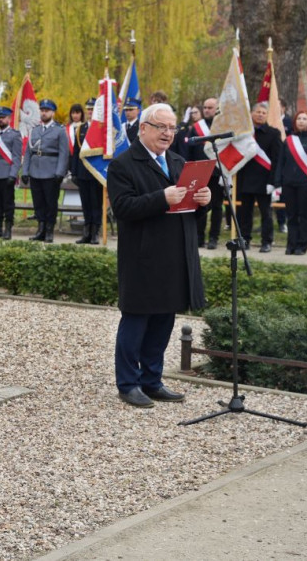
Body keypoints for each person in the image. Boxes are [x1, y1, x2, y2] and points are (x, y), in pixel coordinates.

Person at [108, 103, 209, 408]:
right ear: (143, 129)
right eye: (161, 127)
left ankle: (152, 380)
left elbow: (190, 213)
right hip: (142, 257)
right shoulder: (124, 164)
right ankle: (128, 384)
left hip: (175, 256)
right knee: (136, 321)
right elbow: (123, 208)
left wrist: (205, 201)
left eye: (172, 127)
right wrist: (160, 198)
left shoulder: (179, 162)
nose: (168, 133)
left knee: (163, 322)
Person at [274, 111, 307, 255]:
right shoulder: (289, 140)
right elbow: (280, 163)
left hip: (306, 185)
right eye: (299, 119)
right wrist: (278, 182)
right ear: (295, 122)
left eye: (304, 119)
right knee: (291, 216)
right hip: (289, 183)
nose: (301, 121)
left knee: (304, 216)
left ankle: (302, 245)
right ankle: (291, 245)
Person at [236, 103, 282, 253]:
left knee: (266, 214)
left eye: (263, 112)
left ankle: (266, 242)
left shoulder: (273, 133)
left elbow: (277, 159)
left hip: (265, 180)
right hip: (245, 179)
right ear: (251, 113)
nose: (260, 114)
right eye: (258, 112)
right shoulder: (244, 133)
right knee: (244, 213)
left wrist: (273, 182)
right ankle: (244, 240)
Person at [21, 99, 68, 242]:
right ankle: (40, 229)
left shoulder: (60, 130)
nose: (44, 113)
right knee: (38, 203)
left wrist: (60, 172)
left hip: (51, 172)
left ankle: (49, 231)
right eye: (42, 110)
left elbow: (63, 153)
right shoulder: (35, 130)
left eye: (47, 110)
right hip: (35, 171)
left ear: (53, 113)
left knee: (50, 203)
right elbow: (29, 152)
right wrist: (25, 171)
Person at [189, 97, 224, 249]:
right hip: (200, 172)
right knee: (199, 205)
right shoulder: (196, 128)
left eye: (210, 107)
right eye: (205, 107)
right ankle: (199, 237)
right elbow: (189, 150)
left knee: (216, 207)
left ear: (217, 109)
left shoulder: (223, 127)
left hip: (217, 172)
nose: (207, 110)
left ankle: (213, 238)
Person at [0, 106, 23, 239]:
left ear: (9, 119)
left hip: (7, 172)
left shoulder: (15, 134)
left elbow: (17, 157)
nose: (0, 120)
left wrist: (13, 174)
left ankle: (8, 228)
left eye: (3, 118)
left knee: (7, 203)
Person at [67, 102, 102, 244]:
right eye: (88, 109)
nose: (90, 111)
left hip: (96, 172)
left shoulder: (101, 128)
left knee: (96, 203)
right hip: (82, 172)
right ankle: (86, 232)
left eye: (93, 109)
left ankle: (95, 233)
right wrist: (74, 172)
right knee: (86, 203)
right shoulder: (81, 128)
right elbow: (76, 152)